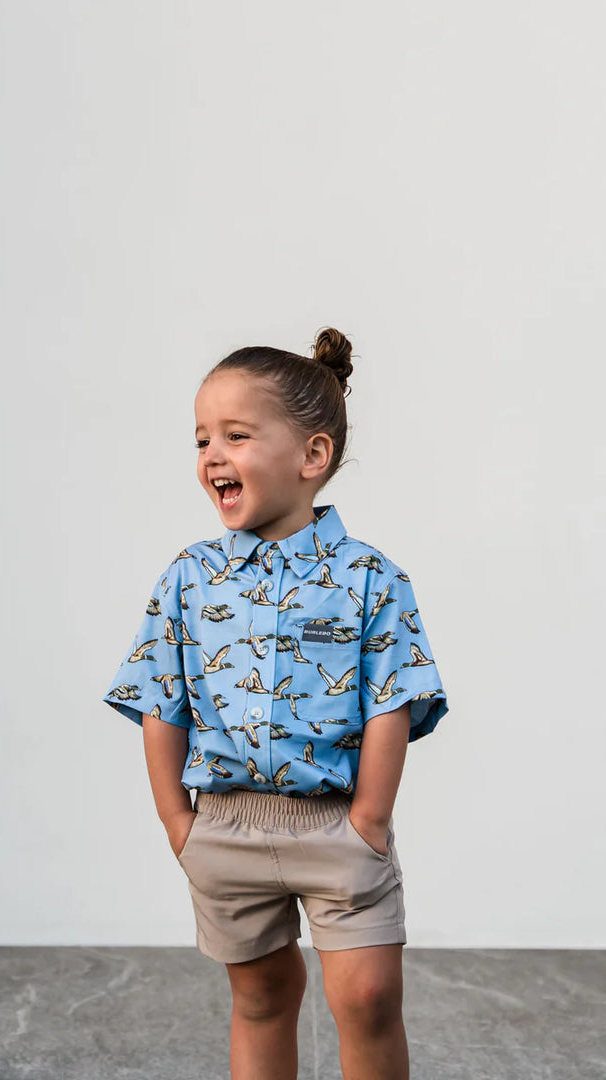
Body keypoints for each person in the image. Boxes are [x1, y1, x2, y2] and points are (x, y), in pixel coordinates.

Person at [102, 327, 448, 1080]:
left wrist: (369, 821)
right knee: (259, 995)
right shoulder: (189, 578)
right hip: (224, 826)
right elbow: (160, 697)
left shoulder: (371, 579)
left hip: (335, 825)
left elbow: (394, 701)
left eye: (236, 436)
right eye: (202, 439)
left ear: (311, 456)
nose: (212, 456)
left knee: (368, 996)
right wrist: (177, 821)